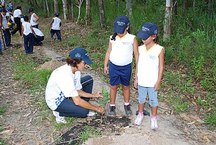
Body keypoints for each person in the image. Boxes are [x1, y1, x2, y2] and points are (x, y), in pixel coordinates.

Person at [45, 47, 105, 123]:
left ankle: (80, 104)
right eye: (84, 63)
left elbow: (77, 90)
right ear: (76, 62)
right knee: (84, 112)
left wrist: (94, 95)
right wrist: (96, 108)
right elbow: (77, 101)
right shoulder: (65, 75)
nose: (86, 65)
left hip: (66, 93)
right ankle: (59, 113)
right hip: (57, 101)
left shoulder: (76, 71)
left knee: (88, 79)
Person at [104, 16, 138, 116]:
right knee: (113, 86)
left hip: (126, 67)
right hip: (114, 66)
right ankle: (112, 105)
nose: (119, 33)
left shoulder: (132, 38)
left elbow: (136, 54)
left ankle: (127, 105)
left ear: (127, 27)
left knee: (126, 86)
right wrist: (105, 65)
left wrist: (137, 70)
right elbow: (108, 52)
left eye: (121, 31)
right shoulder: (112, 38)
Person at [134, 22, 165, 130]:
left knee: (153, 100)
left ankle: (154, 117)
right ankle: (140, 114)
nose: (143, 39)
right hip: (142, 80)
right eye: (142, 36)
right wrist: (136, 77)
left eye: (145, 37)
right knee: (141, 99)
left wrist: (158, 81)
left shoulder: (159, 49)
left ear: (153, 36)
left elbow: (161, 67)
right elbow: (138, 63)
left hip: (152, 82)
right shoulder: (140, 48)